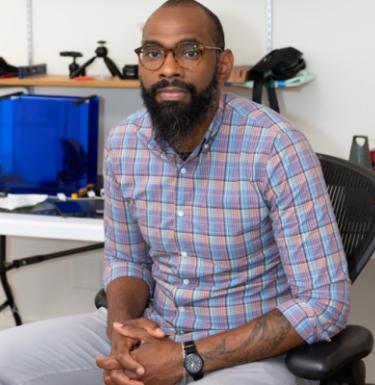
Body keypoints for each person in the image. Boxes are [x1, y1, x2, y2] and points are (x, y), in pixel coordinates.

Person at [0, 1, 350, 385]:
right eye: (153, 53)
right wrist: (121, 332)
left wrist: (187, 358)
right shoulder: (125, 144)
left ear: (222, 64)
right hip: (156, 330)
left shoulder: (275, 148)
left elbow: (323, 304)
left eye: (189, 51)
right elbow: (126, 261)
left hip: (247, 355)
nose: (168, 67)